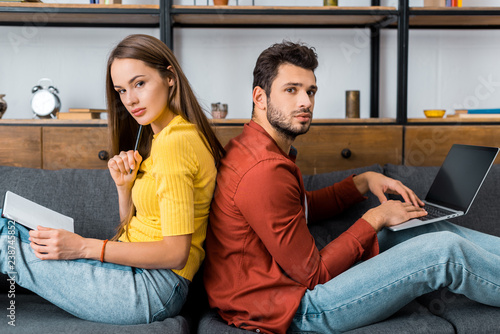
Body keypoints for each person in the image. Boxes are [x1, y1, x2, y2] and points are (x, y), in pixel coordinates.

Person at [203, 41, 500, 334]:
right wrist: (376, 217)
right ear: (260, 97)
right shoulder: (262, 171)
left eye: (310, 91)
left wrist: (364, 180)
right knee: (444, 251)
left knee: (422, 227)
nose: (305, 101)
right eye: (291, 90)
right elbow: (315, 275)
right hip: (296, 309)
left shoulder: (255, 149)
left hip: (288, 292)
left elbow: (299, 208)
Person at [0, 34, 224, 325]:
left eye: (139, 83)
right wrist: (125, 188)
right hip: (138, 275)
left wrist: (83, 247)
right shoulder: (164, 138)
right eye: (121, 90)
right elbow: (138, 229)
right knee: (8, 228)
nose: (130, 99)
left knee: (4, 239)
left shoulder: (175, 143)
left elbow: (175, 253)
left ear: (170, 77)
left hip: (151, 289)